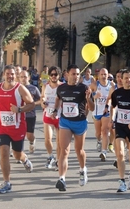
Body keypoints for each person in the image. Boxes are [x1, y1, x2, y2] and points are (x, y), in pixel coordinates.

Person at [0, 65, 35, 194]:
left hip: (17, 127)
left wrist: (20, 109)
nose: (10, 76)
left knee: (17, 154)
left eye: (12, 74)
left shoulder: (20, 89)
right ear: (4, 75)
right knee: (4, 152)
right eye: (7, 74)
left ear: (15, 75)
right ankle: (7, 182)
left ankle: (24, 159)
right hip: (2, 127)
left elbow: (32, 104)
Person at [53, 64, 94, 192]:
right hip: (65, 122)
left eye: (78, 74)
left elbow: (92, 108)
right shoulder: (61, 88)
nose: (76, 77)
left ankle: (82, 170)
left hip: (80, 122)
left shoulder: (84, 88)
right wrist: (55, 110)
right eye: (73, 74)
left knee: (79, 150)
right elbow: (58, 99)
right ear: (67, 75)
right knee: (64, 150)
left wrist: (88, 99)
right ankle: (62, 179)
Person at [109, 70, 130, 193]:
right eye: (126, 78)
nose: (129, 80)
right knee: (120, 153)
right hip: (120, 126)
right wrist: (112, 119)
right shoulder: (117, 93)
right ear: (121, 79)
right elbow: (113, 106)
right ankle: (121, 181)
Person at [90, 68, 115, 161]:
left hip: (106, 111)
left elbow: (113, 97)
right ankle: (99, 141)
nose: (103, 76)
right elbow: (87, 94)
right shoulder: (95, 84)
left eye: (105, 74)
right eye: (102, 74)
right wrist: (93, 96)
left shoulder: (112, 85)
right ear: (99, 75)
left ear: (108, 75)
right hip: (96, 112)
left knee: (105, 131)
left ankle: (104, 152)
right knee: (98, 133)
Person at [41, 66, 63, 169]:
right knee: (47, 139)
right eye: (52, 75)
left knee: (59, 142)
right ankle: (50, 156)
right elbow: (42, 98)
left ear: (59, 75)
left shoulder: (63, 86)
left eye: (55, 74)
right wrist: (43, 103)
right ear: (49, 76)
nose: (53, 76)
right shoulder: (45, 86)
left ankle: (59, 161)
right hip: (48, 115)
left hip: (59, 116)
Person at [19, 70, 41, 153]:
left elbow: (40, 100)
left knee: (29, 135)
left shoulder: (34, 88)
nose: (23, 79)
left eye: (25, 77)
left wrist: (32, 104)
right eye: (21, 77)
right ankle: (19, 151)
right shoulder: (17, 88)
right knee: (19, 134)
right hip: (19, 115)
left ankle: (32, 141)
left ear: (28, 77)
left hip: (30, 115)